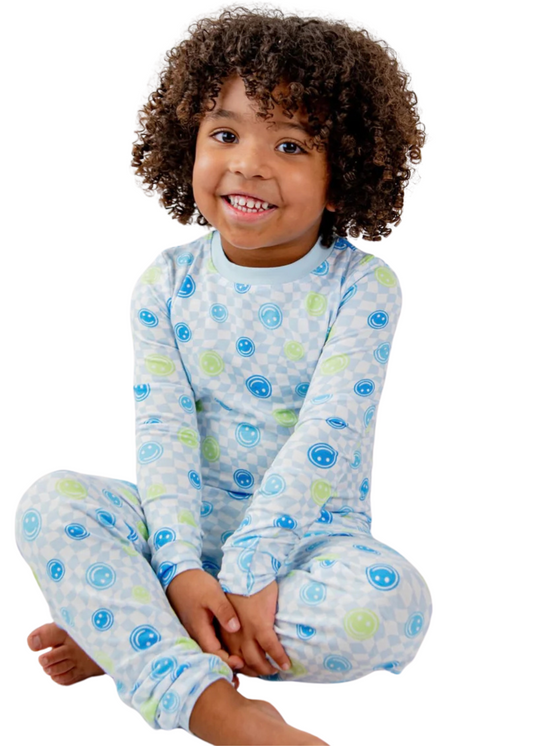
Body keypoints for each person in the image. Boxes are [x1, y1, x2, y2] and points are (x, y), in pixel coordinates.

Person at [14, 6, 432, 745]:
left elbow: (328, 434)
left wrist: (250, 568)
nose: (249, 164)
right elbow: (163, 431)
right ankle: (216, 707)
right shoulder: (165, 283)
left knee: (396, 606)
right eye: (226, 134)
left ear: (341, 179)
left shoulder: (363, 288)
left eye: (291, 144)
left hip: (305, 545)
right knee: (48, 504)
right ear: (189, 142)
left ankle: (134, 635)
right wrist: (179, 567)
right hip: (173, 533)